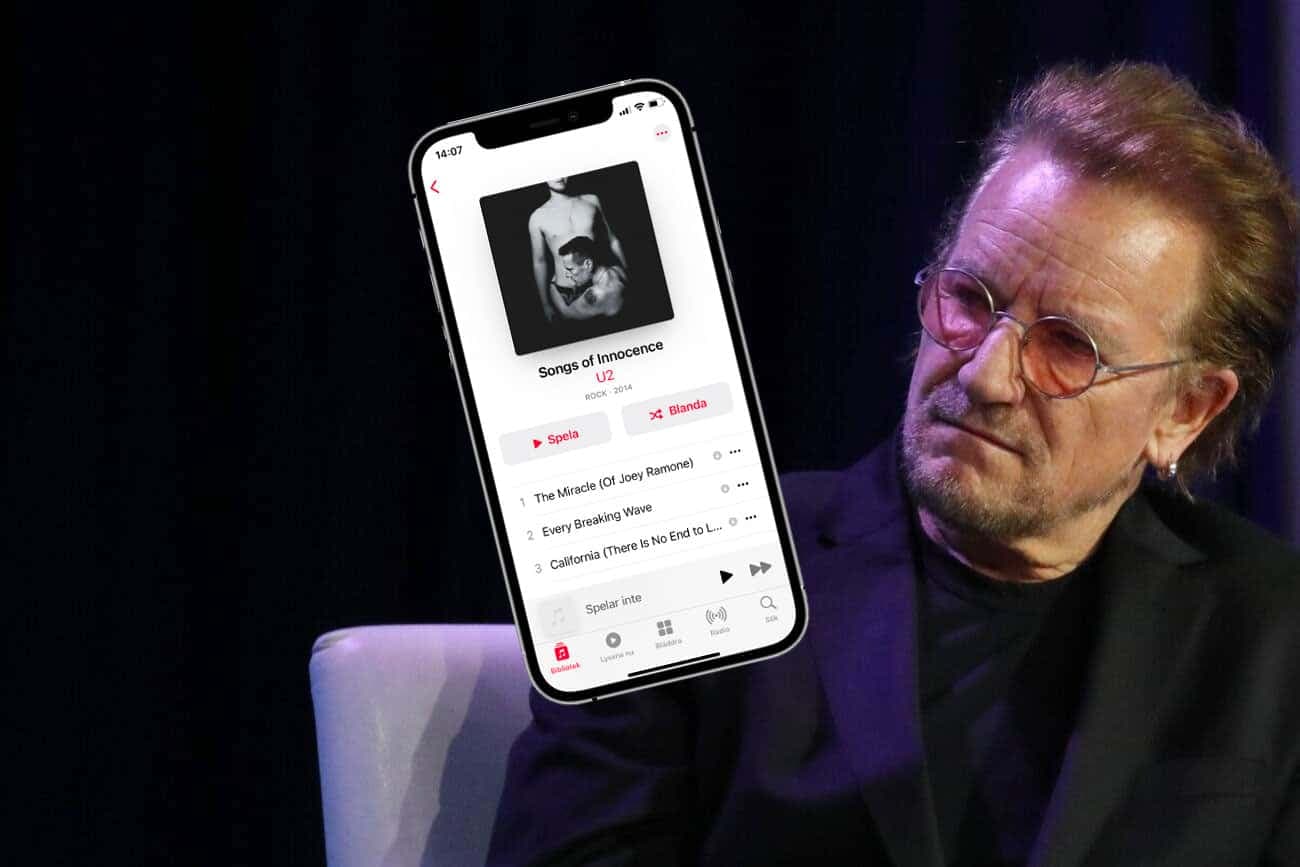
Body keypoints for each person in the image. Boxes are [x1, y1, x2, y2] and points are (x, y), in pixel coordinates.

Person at [487, 62, 1300, 865]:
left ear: (1186, 410)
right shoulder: (686, 558)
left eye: (1067, 347)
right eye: (970, 299)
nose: (983, 375)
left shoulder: (1272, 639)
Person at [529, 177, 629, 322]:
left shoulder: (592, 200)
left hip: (600, 281)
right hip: (566, 292)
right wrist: (545, 304)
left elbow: (612, 240)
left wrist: (627, 273)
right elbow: (539, 262)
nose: (558, 177)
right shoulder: (537, 217)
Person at [549, 235, 628, 319]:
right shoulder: (617, 270)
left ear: (588, 264)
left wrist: (552, 286)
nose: (567, 275)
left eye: (570, 269)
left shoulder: (594, 295)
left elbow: (566, 312)